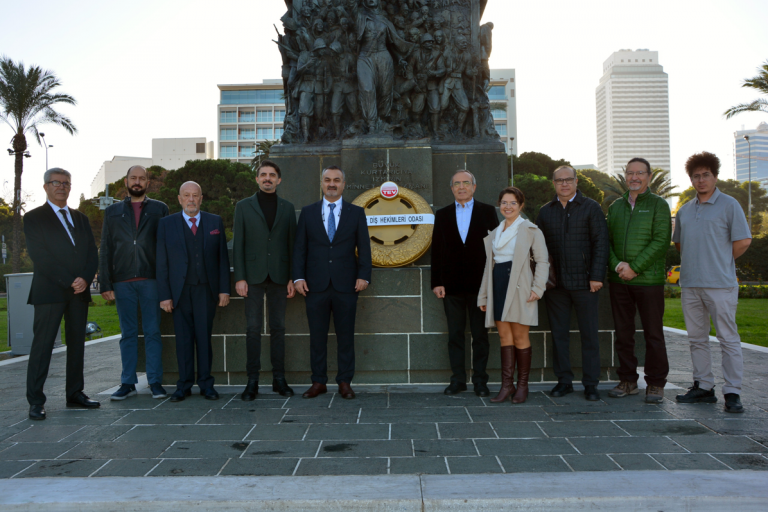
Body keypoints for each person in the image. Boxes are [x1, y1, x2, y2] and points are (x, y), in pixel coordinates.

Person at [673, 152, 752, 413]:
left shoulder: (730, 205)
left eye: (706, 174)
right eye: (696, 176)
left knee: (728, 338)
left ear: (715, 176)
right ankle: (704, 387)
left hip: (721, 284)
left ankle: (733, 392)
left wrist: (719, 260)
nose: (701, 180)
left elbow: (743, 241)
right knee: (697, 339)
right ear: (691, 180)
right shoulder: (684, 210)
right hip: (690, 284)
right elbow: (680, 245)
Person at [24, 168, 100, 420]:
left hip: (78, 293)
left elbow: (92, 253)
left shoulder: (80, 218)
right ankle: (36, 400)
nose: (62, 187)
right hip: (50, 291)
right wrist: (70, 280)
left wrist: (85, 279)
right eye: (56, 182)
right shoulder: (34, 217)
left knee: (77, 344)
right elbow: (40, 256)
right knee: (42, 346)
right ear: (46, 186)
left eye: (66, 183)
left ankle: (75, 393)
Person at [293, 166, 372, 400]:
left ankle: (345, 382)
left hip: (347, 284)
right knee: (317, 337)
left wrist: (364, 275)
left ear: (343, 184)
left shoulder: (356, 213)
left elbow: (364, 248)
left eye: (336, 180)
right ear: (321, 183)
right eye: (327, 180)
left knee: (345, 336)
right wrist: (298, 277)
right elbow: (300, 248)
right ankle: (318, 382)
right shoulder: (307, 213)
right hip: (314, 286)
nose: (332, 184)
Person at [535, 165, 609, 401]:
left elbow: (601, 243)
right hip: (556, 287)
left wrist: (596, 276)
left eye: (568, 180)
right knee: (559, 335)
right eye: (559, 180)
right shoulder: (546, 211)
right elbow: (538, 249)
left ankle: (590, 384)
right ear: (554, 184)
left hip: (586, 284)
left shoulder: (591, 207)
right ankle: (564, 381)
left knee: (589, 335)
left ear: (577, 182)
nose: (564, 184)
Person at [99, 165, 170, 401]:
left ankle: (155, 382)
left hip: (151, 281)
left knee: (152, 333)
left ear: (148, 183)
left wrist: (166, 283)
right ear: (126, 181)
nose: (137, 182)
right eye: (133, 178)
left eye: (142, 178)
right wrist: (105, 283)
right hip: (122, 282)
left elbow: (167, 247)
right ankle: (127, 382)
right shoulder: (112, 212)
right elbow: (106, 249)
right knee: (127, 334)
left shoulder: (160, 209)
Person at [156, 182, 231, 402]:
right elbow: (161, 263)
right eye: (186, 195)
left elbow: (222, 260)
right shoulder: (166, 224)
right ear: (179, 199)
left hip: (206, 292)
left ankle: (207, 384)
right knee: (183, 340)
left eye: (195, 195)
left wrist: (224, 290)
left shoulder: (214, 221)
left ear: (201, 198)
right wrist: (164, 295)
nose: (191, 199)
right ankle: (184, 385)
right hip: (179, 293)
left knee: (204, 339)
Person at [606, 158, 671, 403]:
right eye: (630, 172)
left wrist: (635, 267)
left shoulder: (659, 205)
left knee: (653, 334)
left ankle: (655, 383)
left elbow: (661, 241)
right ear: (625, 176)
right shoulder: (616, 206)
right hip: (619, 280)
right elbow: (607, 241)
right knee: (623, 333)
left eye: (639, 173)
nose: (634, 177)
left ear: (649, 176)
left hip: (648, 281)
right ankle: (628, 380)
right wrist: (617, 265)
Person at [478, 187, 549, 404]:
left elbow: (543, 261)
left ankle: (523, 386)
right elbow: (488, 266)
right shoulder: (495, 232)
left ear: (520, 205)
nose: (507, 207)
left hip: (520, 286)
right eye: (504, 202)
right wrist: (484, 296)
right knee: (504, 337)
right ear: (499, 205)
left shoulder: (530, 229)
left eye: (512, 203)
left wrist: (537, 288)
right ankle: (507, 385)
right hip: (498, 284)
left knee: (520, 337)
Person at [431, 170, 499, 396]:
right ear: (451, 188)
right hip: (450, 287)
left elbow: (496, 249)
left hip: (480, 286)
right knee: (455, 336)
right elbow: (437, 250)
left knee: (480, 336)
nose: (461, 187)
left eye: (466, 183)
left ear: (474, 187)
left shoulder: (488, 211)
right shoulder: (442, 214)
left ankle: (480, 381)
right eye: (457, 183)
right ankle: (458, 380)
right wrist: (436, 282)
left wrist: (493, 284)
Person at [233, 160, 297, 400]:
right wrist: (240, 277)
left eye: (272, 175)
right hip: (252, 277)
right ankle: (252, 382)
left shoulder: (288, 208)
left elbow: (293, 245)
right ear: (257, 179)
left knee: (278, 328)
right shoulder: (243, 206)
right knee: (252, 329)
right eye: (263, 175)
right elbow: (238, 244)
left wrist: (292, 276)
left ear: (279, 180)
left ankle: (279, 379)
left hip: (280, 277)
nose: (267, 178)